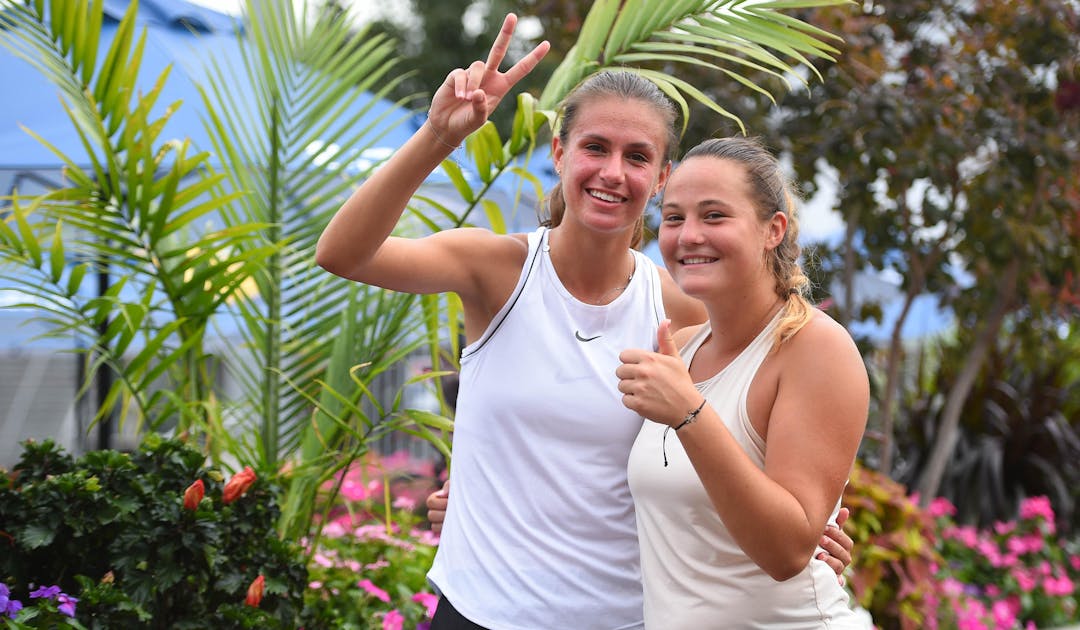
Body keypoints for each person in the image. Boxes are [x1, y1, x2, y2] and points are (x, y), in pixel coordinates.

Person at [317, 13, 851, 630]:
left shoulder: (676, 311)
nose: (613, 172)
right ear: (559, 152)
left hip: (622, 618)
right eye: (595, 147)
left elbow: (770, 419)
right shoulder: (496, 270)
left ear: (661, 179)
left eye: (637, 156)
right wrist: (437, 136)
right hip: (478, 611)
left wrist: (826, 522)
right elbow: (343, 254)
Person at [616, 136, 869, 627]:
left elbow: (786, 550)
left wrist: (690, 414)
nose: (688, 235)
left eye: (714, 216)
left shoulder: (815, 348)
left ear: (773, 229)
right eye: (673, 217)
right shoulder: (680, 346)